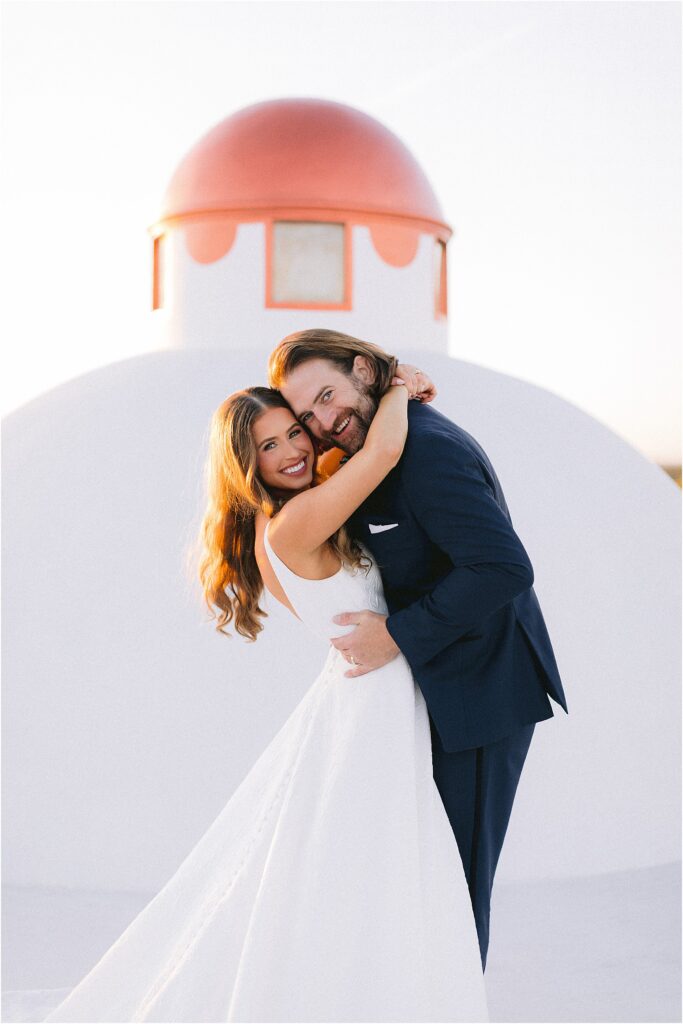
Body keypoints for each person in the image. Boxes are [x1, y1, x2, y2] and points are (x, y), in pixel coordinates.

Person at [42, 363, 489, 1023]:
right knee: (370, 867)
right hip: (371, 706)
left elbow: (355, 457)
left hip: (372, 696)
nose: (291, 452)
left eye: (292, 433)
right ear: (242, 464)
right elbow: (384, 450)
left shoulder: (292, 510)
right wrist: (396, 386)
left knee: (372, 866)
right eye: (267, 446)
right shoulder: (291, 525)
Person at [268, 328, 569, 972]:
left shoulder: (427, 451)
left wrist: (397, 635)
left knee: (454, 893)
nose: (323, 420)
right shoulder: (376, 442)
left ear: (360, 369)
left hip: (478, 698)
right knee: (418, 885)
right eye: (306, 415)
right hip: (429, 697)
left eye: (327, 395)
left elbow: (503, 567)